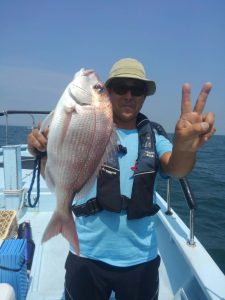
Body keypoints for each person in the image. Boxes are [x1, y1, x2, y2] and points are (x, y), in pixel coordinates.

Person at [27, 58, 215, 300]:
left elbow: (177, 169)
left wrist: (186, 149)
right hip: (86, 255)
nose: (129, 95)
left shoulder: (154, 135)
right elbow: (56, 172)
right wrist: (42, 151)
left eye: (137, 89)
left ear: (144, 96)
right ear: (108, 92)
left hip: (140, 259)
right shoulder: (82, 126)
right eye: (120, 88)